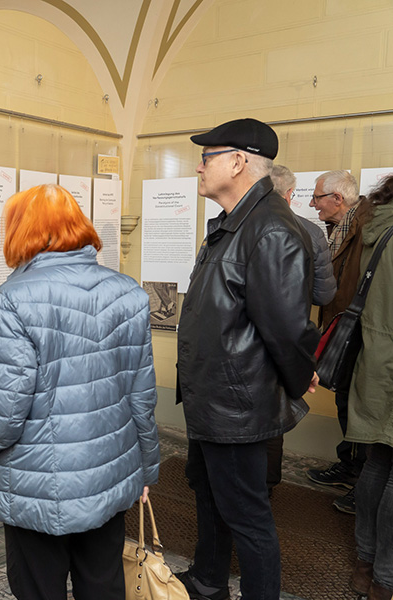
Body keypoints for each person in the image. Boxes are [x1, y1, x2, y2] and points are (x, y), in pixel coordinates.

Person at [0, 184, 159, 600]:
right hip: (108, 470)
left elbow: (3, 409)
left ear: (21, 230)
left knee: (38, 587)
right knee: (104, 583)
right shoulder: (128, 291)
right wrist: (146, 467)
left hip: (37, 480)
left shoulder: (14, 299)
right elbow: (142, 394)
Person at [176, 118, 320, 600]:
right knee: (211, 496)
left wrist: (301, 378)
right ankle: (207, 581)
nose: (198, 166)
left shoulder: (270, 230)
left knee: (248, 516)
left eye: (208, 156)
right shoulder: (236, 223)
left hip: (236, 404)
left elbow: (287, 327)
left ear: (238, 162)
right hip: (214, 398)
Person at [264, 165, 336, 492]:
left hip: (247, 336)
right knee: (275, 407)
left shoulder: (237, 226)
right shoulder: (310, 231)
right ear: (290, 194)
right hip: (292, 333)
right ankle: (268, 480)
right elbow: (324, 294)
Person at [306, 169, 372, 514]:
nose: (312, 203)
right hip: (340, 327)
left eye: (317, 197)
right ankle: (349, 466)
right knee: (345, 400)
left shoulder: (365, 228)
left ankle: (362, 481)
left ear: (337, 199)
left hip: (357, 332)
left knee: (355, 404)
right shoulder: (340, 230)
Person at [344, 174, 393, 600]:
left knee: (378, 464)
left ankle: (364, 563)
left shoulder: (378, 226)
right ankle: (385, 579)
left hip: (376, 363)